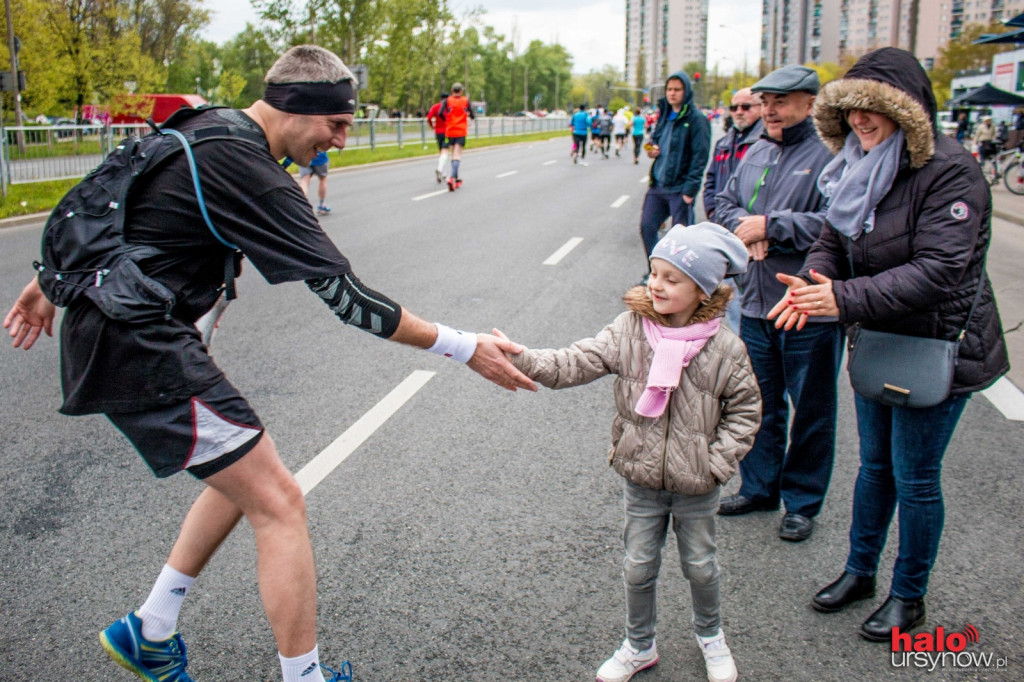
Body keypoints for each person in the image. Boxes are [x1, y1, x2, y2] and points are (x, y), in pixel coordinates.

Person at [3, 45, 536, 682]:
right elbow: (353, 301)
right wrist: (464, 346)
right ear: (292, 106)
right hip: (136, 340)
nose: (341, 139)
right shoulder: (249, 168)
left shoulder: (211, 125)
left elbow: (101, 192)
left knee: (246, 476)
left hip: (129, 327)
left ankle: (150, 627)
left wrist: (50, 281)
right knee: (280, 501)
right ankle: (303, 677)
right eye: (334, 124)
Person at [767, 46, 1009, 642]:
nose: (860, 122)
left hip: (936, 348)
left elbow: (939, 270)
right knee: (874, 469)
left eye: (873, 111)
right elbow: (831, 237)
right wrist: (812, 282)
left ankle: (909, 596)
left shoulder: (952, 170)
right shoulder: (858, 162)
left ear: (908, 110)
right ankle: (860, 572)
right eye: (850, 111)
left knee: (916, 477)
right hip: (879, 336)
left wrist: (842, 300)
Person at [507, 222, 761, 682]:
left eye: (672, 278)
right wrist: (522, 357)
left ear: (703, 291)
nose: (656, 285)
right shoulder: (630, 330)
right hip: (641, 479)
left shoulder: (726, 348)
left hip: (697, 485)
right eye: (654, 273)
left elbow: (746, 411)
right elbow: (575, 361)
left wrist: (716, 462)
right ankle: (639, 645)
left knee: (701, 568)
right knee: (638, 568)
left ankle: (711, 637)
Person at [714, 65, 841, 543]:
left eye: (781, 102)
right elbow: (723, 203)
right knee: (757, 402)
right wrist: (746, 226)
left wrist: (773, 226)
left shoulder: (831, 154)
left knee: (811, 408)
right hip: (755, 301)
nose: (769, 110)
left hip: (805, 301)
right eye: (765, 101)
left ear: (810, 104)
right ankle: (760, 487)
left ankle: (802, 502)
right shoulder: (756, 149)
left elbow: (838, 223)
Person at [638, 71, 711, 280]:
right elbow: (654, 140)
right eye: (669, 89)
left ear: (686, 91)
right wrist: (651, 149)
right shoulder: (664, 115)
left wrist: (690, 190)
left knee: (681, 239)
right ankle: (655, 273)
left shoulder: (697, 120)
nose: (672, 93)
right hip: (659, 185)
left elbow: (700, 157)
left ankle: (679, 278)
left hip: (680, 188)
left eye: (677, 89)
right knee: (647, 227)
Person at [702, 88, 763, 334]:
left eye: (746, 107)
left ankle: (746, 353)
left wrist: (744, 227)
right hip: (722, 230)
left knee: (744, 299)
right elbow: (711, 183)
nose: (739, 112)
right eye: (734, 107)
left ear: (759, 108)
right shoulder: (725, 142)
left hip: (749, 235)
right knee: (727, 295)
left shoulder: (764, 142)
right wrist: (715, 215)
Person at [442, 82, 475, 191]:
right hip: (461, 131)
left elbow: (440, 112)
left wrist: (447, 120)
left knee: (453, 154)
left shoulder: (447, 101)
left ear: (452, 91)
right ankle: (452, 177)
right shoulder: (465, 100)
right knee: (457, 155)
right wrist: (469, 117)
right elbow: (473, 114)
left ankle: (456, 178)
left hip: (449, 131)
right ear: (461, 91)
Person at [425, 92, 449, 183]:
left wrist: (432, 126)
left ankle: (443, 172)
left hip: (438, 132)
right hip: (447, 133)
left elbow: (429, 117)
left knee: (441, 151)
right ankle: (440, 169)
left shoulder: (435, 107)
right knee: (445, 151)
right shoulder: (448, 107)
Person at [298, 150, 331, 215]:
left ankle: (301, 205)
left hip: (304, 157)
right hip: (320, 158)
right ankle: (322, 205)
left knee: (304, 181)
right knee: (322, 180)